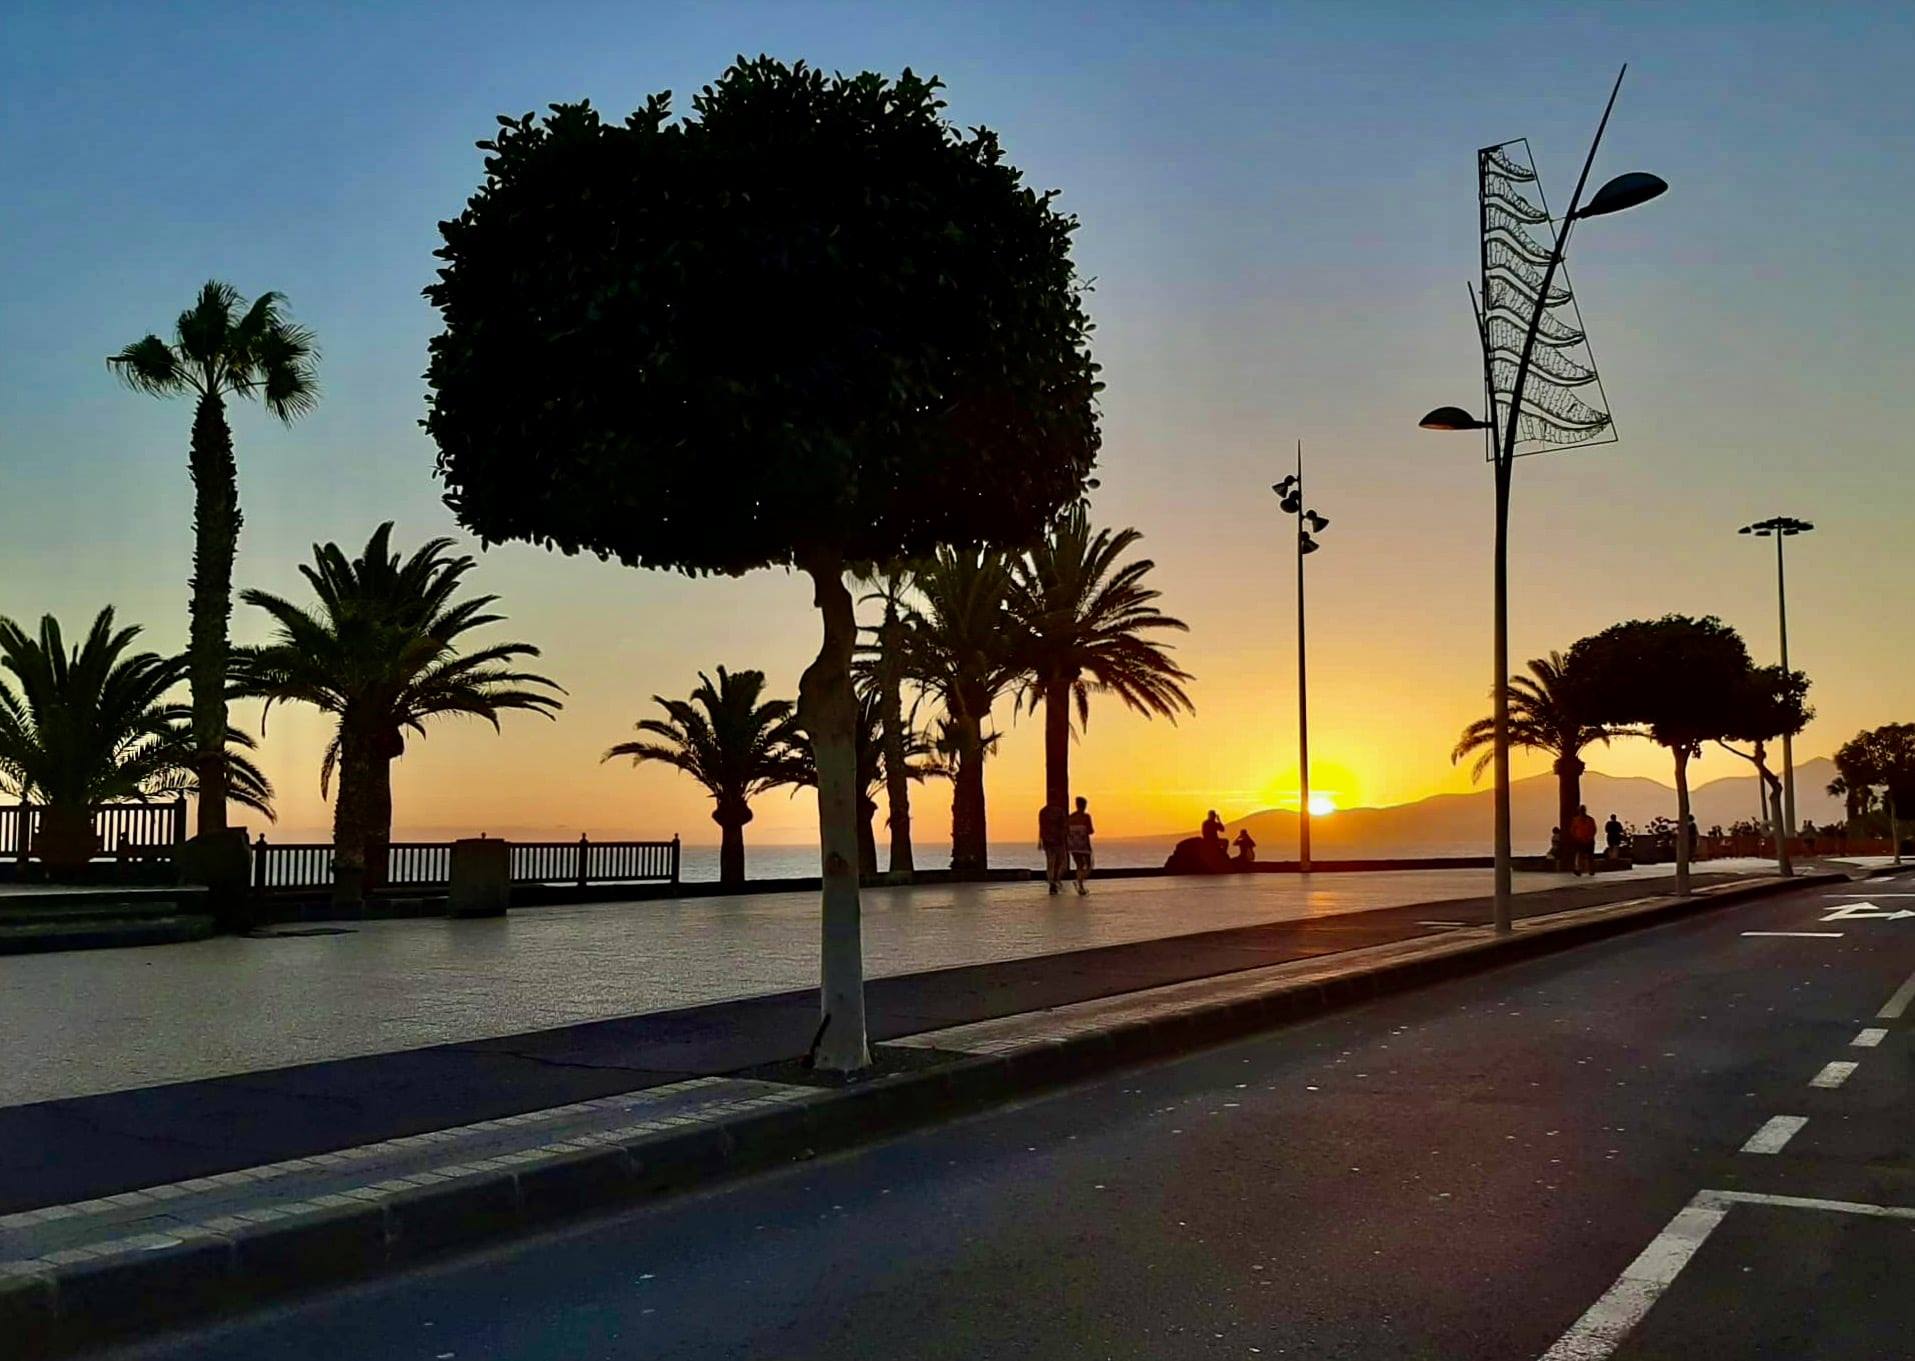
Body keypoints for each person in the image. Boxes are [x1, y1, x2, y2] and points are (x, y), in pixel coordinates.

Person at [1067, 796, 1096, 896]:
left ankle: (1081, 886)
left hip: (1073, 845)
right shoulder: (1086, 817)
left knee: (1079, 865)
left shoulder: (1070, 817)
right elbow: (1090, 831)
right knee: (1089, 865)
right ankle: (1080, 882)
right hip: (1084, 845)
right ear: (1084, 805)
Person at [1038, 801, 1067, 895]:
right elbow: (1064, 827)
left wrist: (1040, 839)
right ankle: (1054, 880)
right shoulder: (1059, 811)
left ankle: (1052, 882)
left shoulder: (1043, 811)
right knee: (1061, 861)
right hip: (1058, 840)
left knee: (1050, 862)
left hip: (1047, 840)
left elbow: (1041, 827)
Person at [1569, 804, 1598, 877]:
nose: (1582, 811)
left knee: (1590, 856)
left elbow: (1594, 830)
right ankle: (1579, 869)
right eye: (1581, 810)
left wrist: (1589, 837)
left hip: (1589, 841)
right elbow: (1572, 830)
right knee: (1580, 856)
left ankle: (1591, 869)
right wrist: (1577, 837)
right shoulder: (1575, 820)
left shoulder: (1590, 819)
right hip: (1580, 841)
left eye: (1583, 810)